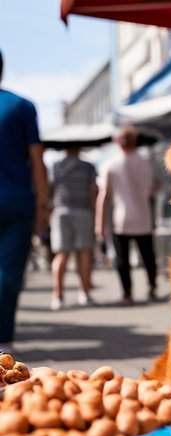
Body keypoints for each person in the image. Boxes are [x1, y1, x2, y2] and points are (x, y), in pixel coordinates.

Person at [0, 50, 48, 343]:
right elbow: (37, 160)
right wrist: (43, 205)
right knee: (8, 271)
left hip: (16, 201)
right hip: (17, 201)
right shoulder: (22, 107)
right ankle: (3, 338)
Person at [96, 126, 158, 305]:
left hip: (121, 219)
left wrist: (99, 225)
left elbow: (104, 197)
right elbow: (154, 188)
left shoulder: (111, 165)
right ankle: (152, 286)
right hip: (144, 216)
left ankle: (127, 293)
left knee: (122, 258)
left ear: (117, 142)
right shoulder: (146, 161)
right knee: (148, 255)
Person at [49, 146, 97, 310]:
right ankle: (85, 293)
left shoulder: (56, 166)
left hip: (61, 210)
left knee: (61, 254)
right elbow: (93, 192)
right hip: (83, 211)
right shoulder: (88, 167)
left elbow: (51, 189)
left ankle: (58, 296)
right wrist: (95, 215)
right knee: (84, 253)